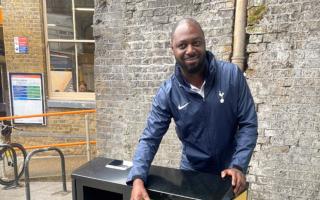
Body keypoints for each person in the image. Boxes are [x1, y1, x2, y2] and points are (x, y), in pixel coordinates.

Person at [127, 18, 258, 200]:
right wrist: (138, 178)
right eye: (182, 45)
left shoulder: (231, 76)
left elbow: (248, 124)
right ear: (172, 49)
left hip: (230, 171)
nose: (190, 50)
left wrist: (238, 166)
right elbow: (150, 137)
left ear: (204, 43)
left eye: (196, 43)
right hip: (192, 172)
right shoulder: (168, 92)